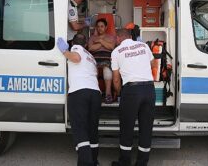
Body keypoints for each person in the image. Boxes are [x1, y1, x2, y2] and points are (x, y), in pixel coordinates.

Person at [110, 29, 156, 166]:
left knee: (126, 128)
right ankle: (142, 163)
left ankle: (124, 163)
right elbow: (154, 64)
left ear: (118, 39)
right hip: (149, 89)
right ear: (131, 37)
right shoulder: (144, 46)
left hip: (131, 91)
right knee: (146, 128)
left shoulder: (116, 52)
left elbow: (116, 80)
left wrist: (119, 93)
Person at [57, 34, 101, 166]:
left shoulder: (77, 48)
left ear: (73, 43)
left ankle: (86, 163)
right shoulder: (91, 57)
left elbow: (76, 58)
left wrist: (65, 51)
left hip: (80, 92)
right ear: (87, 44)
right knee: (92, 130)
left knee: (80, 129)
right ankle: (94, 161)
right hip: (95, 93)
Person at [88, 18, 116, 103]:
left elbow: (111, 47)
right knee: (93, 70)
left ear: (106, 27)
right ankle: (96, 93)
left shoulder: (111, 37)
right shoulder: (92, 37)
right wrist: (103, 43)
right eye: (98, 26)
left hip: (107, 59)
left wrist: (100, 41)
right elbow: (91, 48)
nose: (100, 28)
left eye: (102, 26)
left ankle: (108, 94)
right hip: (95, 59)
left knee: (107, 69)